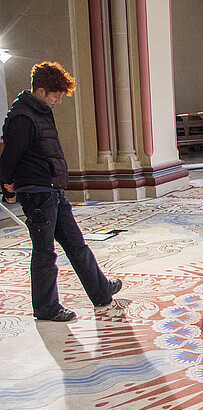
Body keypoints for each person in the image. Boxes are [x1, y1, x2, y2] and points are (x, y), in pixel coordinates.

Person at [0, 62, 122, 322]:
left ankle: (100, 291)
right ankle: (46, 307)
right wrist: (7, 185)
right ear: (41, 91)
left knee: (76, 244)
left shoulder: (41, 111)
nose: (58, 100)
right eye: (56, 95)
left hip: (52, 190)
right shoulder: (22, 117)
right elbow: (9, 157)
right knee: (45, 252)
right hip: (37, 194)